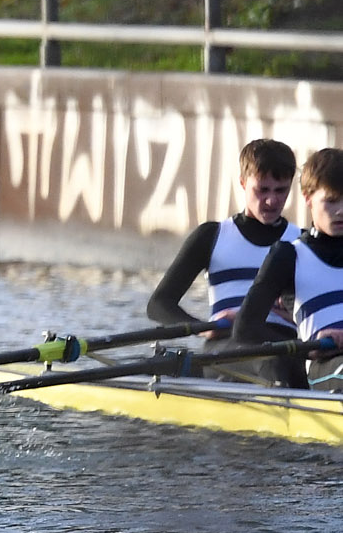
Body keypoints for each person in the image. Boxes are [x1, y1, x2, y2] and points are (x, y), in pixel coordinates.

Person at [146, 138, 298, 341]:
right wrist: (203, 328)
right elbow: (159, 304)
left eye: (281, 190)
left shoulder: (302, 241)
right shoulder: (212, 236)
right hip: (226, 342)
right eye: (262, 190)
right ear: (243, 183)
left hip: (284, 343)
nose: (271, 201)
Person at [237, 146, 343, 389]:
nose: (341, 211)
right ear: (308, 198)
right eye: (331, 201)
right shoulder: (288, 255)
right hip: (323, 365)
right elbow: (246, 329)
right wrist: (309, 347)